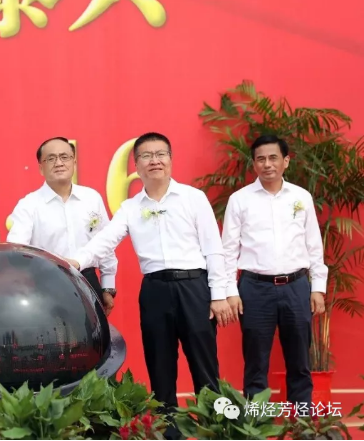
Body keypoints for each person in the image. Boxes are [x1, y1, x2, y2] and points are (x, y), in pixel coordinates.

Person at [66, 132, 232, 438]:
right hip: (155, 291)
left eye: (160, 154)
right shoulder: (130, 207)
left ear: (170, 159)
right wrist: (77, 261)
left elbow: (214, 249)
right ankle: (169, 433)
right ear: (136, 165)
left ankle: (217, 431)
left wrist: (219, 294)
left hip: (194, 287)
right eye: (146, 156)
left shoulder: (193, 198)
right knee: (160, 366)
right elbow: (105, 240)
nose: (154, 161)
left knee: (205, 366)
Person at [221, 134, 326, 404]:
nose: (267, 164)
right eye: (260, 159)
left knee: (300, 362)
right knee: (255, 363)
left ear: (286, 161)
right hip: (255, 289)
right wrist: (230, 291)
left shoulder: (301, 197)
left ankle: (301, 421)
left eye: (273, 158)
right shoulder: (240, 200)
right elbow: (229, 250)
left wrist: (318, 288)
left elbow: (314, 245)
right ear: (254, 163)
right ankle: (257, 423)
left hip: (297, 287)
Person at [6, 137, 118, 311]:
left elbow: (105, 243)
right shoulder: (28, 204)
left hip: (88, 279)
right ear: (41, 167)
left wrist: (107, 287)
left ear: (74, 162)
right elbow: (16, 249)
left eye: (64, 157)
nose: (59, 163)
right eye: (51, 158)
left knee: (93, 329)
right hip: (47, 282)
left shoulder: (91, 198)